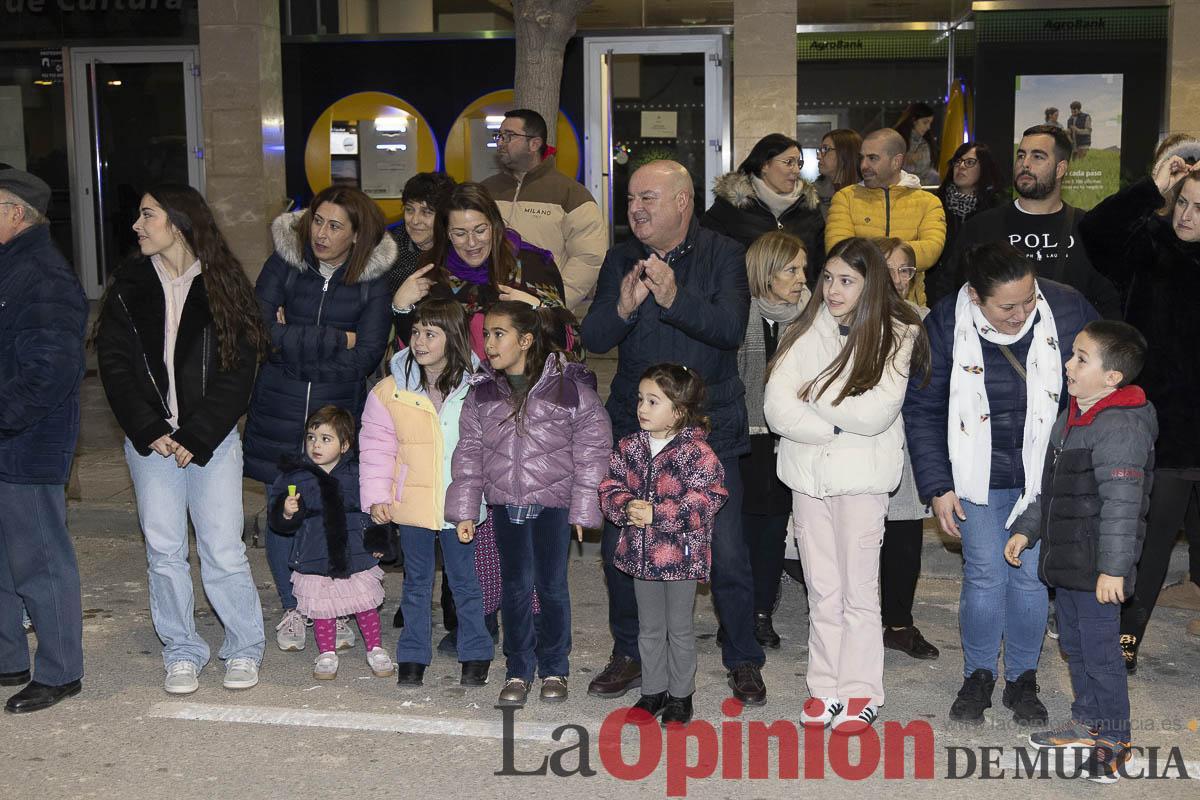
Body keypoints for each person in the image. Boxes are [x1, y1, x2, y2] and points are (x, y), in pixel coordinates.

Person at [582, 160, 768, 706]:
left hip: (709, 431)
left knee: (728, 550)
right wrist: (623, 306)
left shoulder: (725, 254)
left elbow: (731, 330)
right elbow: (594, 334)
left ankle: (743, 658)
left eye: (649, 199)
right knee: (622, 542)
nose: (635, 209)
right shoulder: (622, 257)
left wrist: (672, 299)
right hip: (636, 432)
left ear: (683, 202)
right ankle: (630, 655)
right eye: (632, 200)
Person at [904, 242, 1099, 726]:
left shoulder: (1068, 307)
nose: (1021, 314)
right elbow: (923, 409)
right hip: (978, 476)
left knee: (1031, 580)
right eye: (1007, 307)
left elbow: (1102, 381)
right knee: (986, 575)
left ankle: (1023, 679)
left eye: (1028, 300)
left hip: (1043, 475)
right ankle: (978, 676)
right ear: (976, 296)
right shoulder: (947, 321)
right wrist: (938, 486)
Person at [96, 184, 270, 695]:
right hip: (153, 442)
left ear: (178, 221)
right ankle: (181, 650)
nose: (137, 225)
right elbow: (114, 365)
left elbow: (239, 372)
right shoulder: (129, 283)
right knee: (165, 551)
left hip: (209, 441)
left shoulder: (223, 282)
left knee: (222, 549)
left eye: (147, 214)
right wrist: (151, 430)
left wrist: (197, 433)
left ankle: (243, 647)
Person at [764, 237, 928, 733]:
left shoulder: (899, 332)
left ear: (870, 284)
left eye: (847, 281)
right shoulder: (802, 328)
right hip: (807, 476)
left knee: (859, 591)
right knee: (821, 587)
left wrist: (813, 391)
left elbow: (877, 412)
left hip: (861, 480)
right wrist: (829, 424)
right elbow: (775, 406)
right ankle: (824, 686)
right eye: (828, 278)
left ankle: (862, 690)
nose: (833, 289)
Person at [244, 185, 395, 653]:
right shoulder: (284, 263)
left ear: (356, 235)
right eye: (318, 222)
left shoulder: (373, 279)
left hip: (336, 412)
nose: (322, 234)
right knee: (282, 508)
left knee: (335, 508)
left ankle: (333, 603)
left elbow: (367, 354)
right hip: (278, 406)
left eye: (335, 226)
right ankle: (295, 606)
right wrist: (335, 339)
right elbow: (259, 332)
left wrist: (294, 337)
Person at [1005, 320, 1154, 784]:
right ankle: (1087, 723)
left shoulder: (1122, 427)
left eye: (1081, 358)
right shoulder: (1073, 416)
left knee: (1101, 653)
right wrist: (1027, 529)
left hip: (1097, 569)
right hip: (1069, 563)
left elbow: (1123, 507)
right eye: (1072, 354)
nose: (1069, 364)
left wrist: (1113, 570)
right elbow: (1052, 492)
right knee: (1075, 647)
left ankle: (1114, 742)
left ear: (1112, 377)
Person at [446, 301, 611, 708]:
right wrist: (465, 509)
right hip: (505, 505)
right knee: (515, 587)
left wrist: (584, 508)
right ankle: (518, 668)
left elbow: (592, 449)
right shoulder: (481, 393)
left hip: (552, 504)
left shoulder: (569, 390)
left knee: (551, 586)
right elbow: (468, 452)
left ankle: (554, 665)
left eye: (498, 334)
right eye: (485, 335)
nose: (489, 343)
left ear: (526, 340)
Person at [1079, 138, 1200, 669]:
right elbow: (1095, 232)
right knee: (1147, 544)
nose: (1187, 215)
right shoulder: (1152, 245)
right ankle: (1125, 638)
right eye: (1184, 202)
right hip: (1166, 430)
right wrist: (1154, 186)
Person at [359, 298, 494, 687]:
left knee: (465, 583)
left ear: (451, 339)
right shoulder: (389, 391)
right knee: (416, 584)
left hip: (461, 506)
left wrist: (482, 497)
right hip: (411, 504)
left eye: (430, 334)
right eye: (415, 332)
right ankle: (413, 655)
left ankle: (476, 652)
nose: (418, 341)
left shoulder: (478, 390)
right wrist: (377, 496)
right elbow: (376, 448)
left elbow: (486, 449)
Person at [0, 168, 87, 713]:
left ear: (15, 213)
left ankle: (60, 671)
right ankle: (9, 657)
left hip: (27, 443)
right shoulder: (12, 266)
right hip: (9, 435)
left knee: (39, 561)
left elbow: (49, 372)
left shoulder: (43, 275)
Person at [599, 363, 728, 726]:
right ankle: (653, 690)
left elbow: (708, 499)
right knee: (650, 628)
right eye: (641, 399)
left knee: (680, 628)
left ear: (679, 410)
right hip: (641, 556)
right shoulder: (630, 447)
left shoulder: (697, 454)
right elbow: (609, 486)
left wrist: (659, 513)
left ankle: (681, 695)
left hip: (681, 559)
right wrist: (626, 506)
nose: (642, 408)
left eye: (653, 401)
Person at [935, 125, 1120, 318]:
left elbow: (1110, 304)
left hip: (1069, 344)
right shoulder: (981, 227)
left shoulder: (1088, 230)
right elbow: (949, 295)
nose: (1025, 164)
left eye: (1037, 157)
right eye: (1021, 155)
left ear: (1060, 169)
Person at [268, 406, 396, 681]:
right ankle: (326, 653)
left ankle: (375, 647)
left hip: (354, 551)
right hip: (315, 553)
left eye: (326, 439)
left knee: (365, 605)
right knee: (322, 606)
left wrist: (378, 540)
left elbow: (372, 511)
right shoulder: (295, 475)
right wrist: (287, 512)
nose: (316, 445)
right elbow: (279, 522)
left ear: (345, 444)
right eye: (312, 437)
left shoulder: (358, 474)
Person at [391, 182, 574, 362]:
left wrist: (537, 309)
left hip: (521, 387)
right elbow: (415, 347)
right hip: (449, 387)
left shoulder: (532, 266)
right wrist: (401, 308)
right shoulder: (433, 270)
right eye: (460, 233)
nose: (472, 243)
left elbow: (568, 340)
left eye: (480, 231)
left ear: (494, 226)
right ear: (446, 233)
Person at [737, 231, 811, 648]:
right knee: (738, 532)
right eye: (792, 269)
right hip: (743, 436)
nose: (803, 278)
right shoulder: (737, 314)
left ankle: (761, 613)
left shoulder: (810, 318)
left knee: (770, 535)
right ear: (766, 273)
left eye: (803, 268)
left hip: (789, 438)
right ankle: (738, 612)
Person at [875, 238, 939, 660]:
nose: (898, 279)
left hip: (907, 439)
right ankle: (857, 621)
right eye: (889, 268)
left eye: (906, 271)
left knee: (903, 537)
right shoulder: (843, 313)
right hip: (857, 442)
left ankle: (898, 623)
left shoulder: (926, 320)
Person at [482, 109, 607, 315]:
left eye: (509, 136)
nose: (501, 142)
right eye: (499, 135)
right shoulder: (484, 191)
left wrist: (551, 304)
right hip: (490, 312)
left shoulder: (570, 193)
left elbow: (588, 258)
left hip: (543, 315)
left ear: (534, 144)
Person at [825, 128, 946, 306]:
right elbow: (839, 250)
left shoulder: (928, 202)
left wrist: (868, 253)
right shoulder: (845, 198)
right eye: (862, 158)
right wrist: (898, 260)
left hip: (907, 307)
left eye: (872, 158)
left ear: (896, 161)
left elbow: (930, 251)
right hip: (857, 307)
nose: (863, 165)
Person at [701, 133, 825, 276]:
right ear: (765, 165)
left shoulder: (808, 207)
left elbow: (819, 264)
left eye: (798, 163)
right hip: (745, 296)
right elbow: (707, 258)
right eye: (789, 162)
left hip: (801, 296)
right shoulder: (731, 208)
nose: (796, 170)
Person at [925, 142, 1003, 307]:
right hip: (936, 291)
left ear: (984, 168)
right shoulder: (934, 204)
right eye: (957, 161)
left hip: (980, 292)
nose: (961, 167)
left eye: (969, 162)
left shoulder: (995, 209)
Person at [388, 172, 456, 349]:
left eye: (427, 212)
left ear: (445, 216)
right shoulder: (387, 249)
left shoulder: (460, 250)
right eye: (410, 210)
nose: (415, 220)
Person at [814, 129, 863, 220]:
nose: (818, 156)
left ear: (846, 153)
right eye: (820, 150)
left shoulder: (868, 194)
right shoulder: (812, 195)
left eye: (825, 149)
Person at [895, 102, 941, 186]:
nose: (928, 127)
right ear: (913, 121)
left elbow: (925, 166)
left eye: (930, 123)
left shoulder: (925, 142)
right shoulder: (897, 140)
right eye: (925, 122)